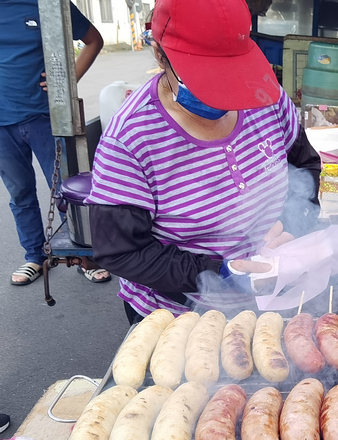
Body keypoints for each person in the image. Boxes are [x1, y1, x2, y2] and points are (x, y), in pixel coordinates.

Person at [85, 0, 321, 324]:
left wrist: (294, 221)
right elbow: (122, 251)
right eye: (207, 77)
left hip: (271, 303)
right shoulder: (130, 139)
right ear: (159, 54)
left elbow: (305, 165)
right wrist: (219, 271)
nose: (223, 95)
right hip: (177, 318)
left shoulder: (265, 94)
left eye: (231, 74)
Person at [0, 0, 110, 285]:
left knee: (68, 191)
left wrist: (69, 78)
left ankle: (86, 257)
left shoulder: (49, 4)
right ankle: (34, 256)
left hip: (47, 117)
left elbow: (93, 40)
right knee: (20, 193)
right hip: (2, 123)